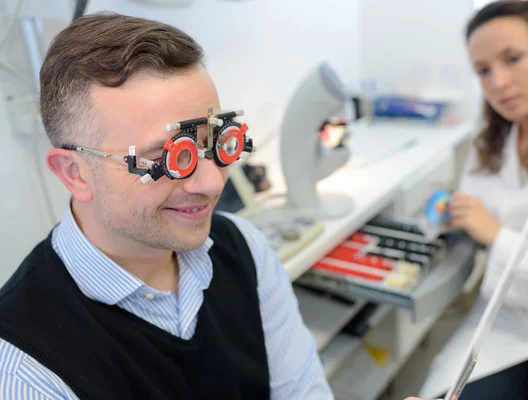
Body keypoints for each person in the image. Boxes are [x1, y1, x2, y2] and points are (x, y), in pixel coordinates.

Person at [0, 12, 335, 399]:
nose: (211, 183)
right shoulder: (26, 373)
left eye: (216, 142)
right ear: (74, 173)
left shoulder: (244, 248)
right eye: (170, 158)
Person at [418, 1, 528, 399]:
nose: (498, 83)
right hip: (506, 322)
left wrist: (497, 235)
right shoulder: (494, 136)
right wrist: (450, 212)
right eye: (483, 70)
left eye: (512, 59)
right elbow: (471, 201)